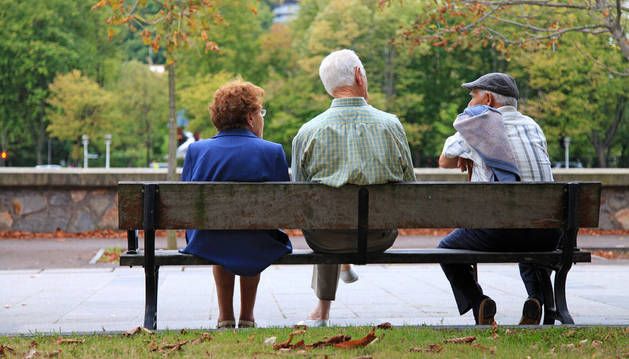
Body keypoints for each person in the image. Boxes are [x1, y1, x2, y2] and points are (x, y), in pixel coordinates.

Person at [292, 49, 415, 326]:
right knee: (336, 219)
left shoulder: (307, 132)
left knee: (326, 223)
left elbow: (299, 199)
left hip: (326, 239)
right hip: (379, 237)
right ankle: (341, 272)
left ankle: (322, 310)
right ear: (360, 75)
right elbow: (411, 187)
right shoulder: (391, 126)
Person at [438, 72, 557, 325]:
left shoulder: (478, 124)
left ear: (488, 99)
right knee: (528, 225)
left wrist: (468, 150)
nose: (469, 103)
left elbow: (444, 161)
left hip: (500, 232)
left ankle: (479, 301)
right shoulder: (533, 126)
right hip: (548, 232)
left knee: (446, 249)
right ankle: (536, 299)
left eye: (472, 97)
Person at [180, 80, 292, 329]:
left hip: (208, 240)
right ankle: (247, 317)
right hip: (258, 241)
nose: (262, 118)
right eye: (260, 112)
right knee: (253, 234)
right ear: (251, 118)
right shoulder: (272, 151)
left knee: (220, 235)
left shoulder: (197, 151)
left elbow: (186, 204)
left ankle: (225, 317)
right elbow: (283, 208)